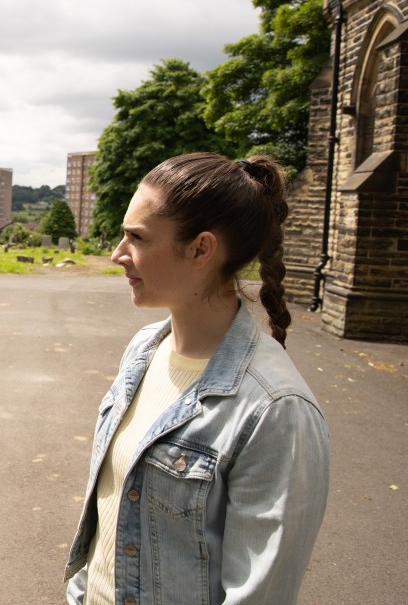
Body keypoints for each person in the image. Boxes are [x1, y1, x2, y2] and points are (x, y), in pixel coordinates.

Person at [64, 152, 330, 604]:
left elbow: (259, 595)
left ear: (201, 249)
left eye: (137, 237)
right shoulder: (144, 350)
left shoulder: (276, 410)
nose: (117, 254)